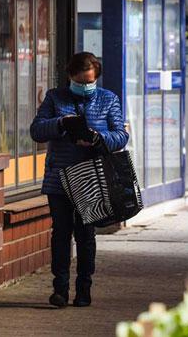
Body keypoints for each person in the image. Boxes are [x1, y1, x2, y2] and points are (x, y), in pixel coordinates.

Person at [30, 52, 129, 308]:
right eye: (79, 81)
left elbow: (120, 135)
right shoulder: (54, 98)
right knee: (60, 232)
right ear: (70, 76)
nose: (84, 86)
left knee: (85, 234)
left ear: (96, 77)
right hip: (59, 177)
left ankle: (84, 289)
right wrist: (61, 123)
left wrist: (98, 138)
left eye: (88, 81)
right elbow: (37, 130)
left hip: (91, 177)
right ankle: (59, 289)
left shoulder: (108, 99)